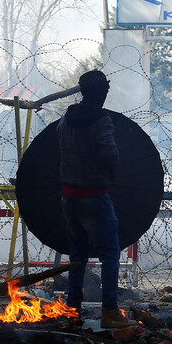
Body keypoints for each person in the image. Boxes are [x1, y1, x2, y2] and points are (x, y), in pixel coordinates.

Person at [57, 70, 134, 329]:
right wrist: (110, 172)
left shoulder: (66, 119)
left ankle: (72, 309)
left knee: (77, 254)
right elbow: (110, 153)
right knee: (109, 253)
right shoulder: (101, 120)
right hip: (94, 196)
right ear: (101, 92)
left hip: (69, 196)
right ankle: (109, 311)